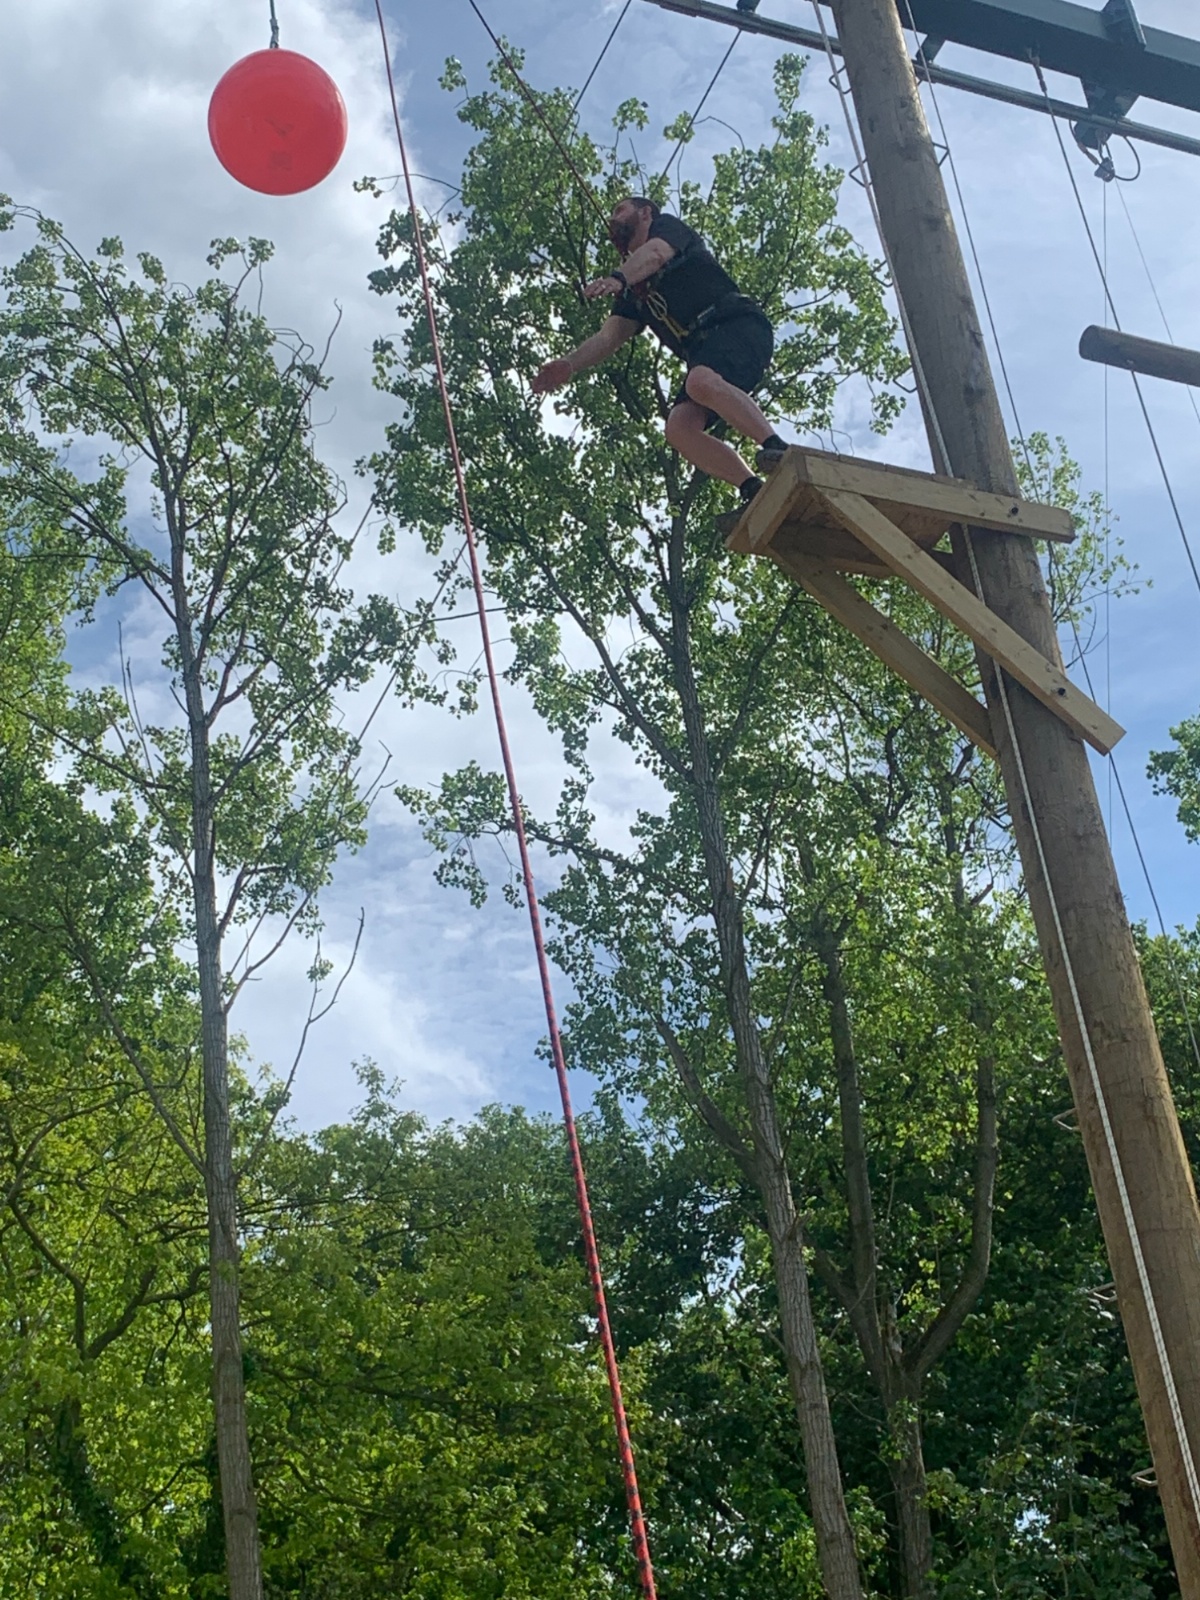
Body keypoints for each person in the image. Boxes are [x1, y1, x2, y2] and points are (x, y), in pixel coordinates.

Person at [531, 196, 788, 512]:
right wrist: (570, 364)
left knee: (699, 381)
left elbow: (655, 254)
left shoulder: (667, 229)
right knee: (679, 428)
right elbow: (610, 336)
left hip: (738, 325)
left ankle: (777, 449)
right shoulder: (633, 290)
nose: (613, 218)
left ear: (645, 213)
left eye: (620, 209)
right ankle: (752, 489)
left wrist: (618, 278)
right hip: (706, 350)